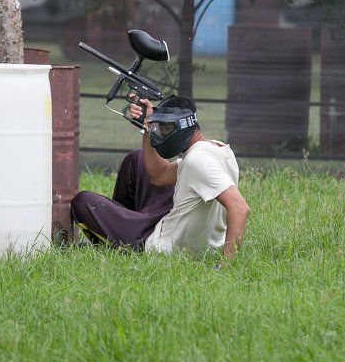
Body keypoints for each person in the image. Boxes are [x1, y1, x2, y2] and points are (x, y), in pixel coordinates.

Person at [70, 96, 250, 259]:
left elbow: (240, 208)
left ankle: (121, 242)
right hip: (177, 225)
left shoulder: (198, 160)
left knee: (83, 201)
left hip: (162, 246)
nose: (159, 134)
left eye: (165, 129)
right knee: (137, 159)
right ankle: (126, 223)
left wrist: (227, 263)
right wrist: (147, 126)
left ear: (184, 126)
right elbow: (159, 176)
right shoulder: (215, 148)